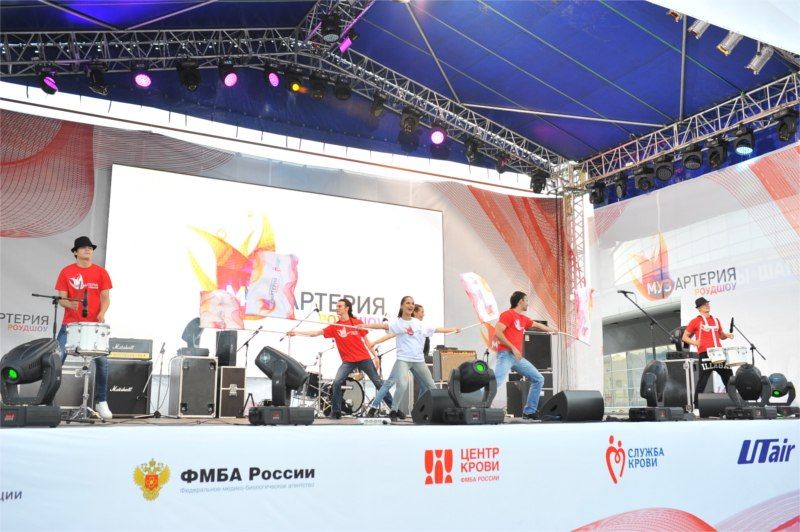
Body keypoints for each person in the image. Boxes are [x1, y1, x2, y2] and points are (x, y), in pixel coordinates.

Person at [287, 299, 391, 419]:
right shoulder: (335, 327)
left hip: (364, 358)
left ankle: (394, 408)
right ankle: (336, 412)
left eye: (339, 306)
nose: (337, 308)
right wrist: (296, 333)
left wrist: (375, 356)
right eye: (336, 306)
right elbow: (315, 333)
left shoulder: (356, 323)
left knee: (378, 382)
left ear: (347, 308)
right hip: (348, 362)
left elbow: (367, 341)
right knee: (337, 382)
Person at [361, 296, 460, 421]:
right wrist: (364, 325)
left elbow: (437, 329)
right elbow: (382, 326)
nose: (411, 305)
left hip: (419, 361)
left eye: (412, 303)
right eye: (408, 303)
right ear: (402, 306)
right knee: (402, 384)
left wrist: (453, 329)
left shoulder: (419, 324)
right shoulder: (397, 323)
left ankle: (429, 411)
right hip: (403, 360)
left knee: (431, 386)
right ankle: (393, 411)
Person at [55, 236, 113, 420]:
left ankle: (101, 401)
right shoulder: (67, 272)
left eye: (90, 247)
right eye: (83, 247)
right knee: (55, 360)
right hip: (70, 325)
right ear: (75, 252)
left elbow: (106, 298)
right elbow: (61, 298)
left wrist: (102, 313)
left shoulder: (101, 272)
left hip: (94, 326)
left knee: (102, 362)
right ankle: (47, 400)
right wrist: (70, 304)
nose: (88, 250)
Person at [492, 291, 557, 420]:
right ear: (520, 301)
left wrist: (553, 330)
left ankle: (529, 411)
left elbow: (537, 325)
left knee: (538, 379)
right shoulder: (507, 314)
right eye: (526, 300)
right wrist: (513, 347)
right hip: (506, 354)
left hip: (516, 358)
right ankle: (476, 405)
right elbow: (498, 333)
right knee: (496, 382)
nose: (527, 303)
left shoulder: (523, 319)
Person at [365, 303, 426, 417]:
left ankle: (418, 410)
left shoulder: (421, 327)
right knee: (389, 383)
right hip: (404, 361)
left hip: (417, 362)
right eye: (421, 312)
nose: (423, 314)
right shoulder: (404, 325)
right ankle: (373, 408)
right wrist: (375, 342)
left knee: (425, 386)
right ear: (415, 312)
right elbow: (390, 335)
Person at [682, 297, 734, 403]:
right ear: (699, 308)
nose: (707, 305)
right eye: (704, 304)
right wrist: (695, 343)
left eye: (707, 304)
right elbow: (684, 337)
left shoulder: (716, 320)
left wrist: (727, 335)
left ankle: (734, 401)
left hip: (719, 353)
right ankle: (696, 405)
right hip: (705, 353)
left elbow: (721, 336)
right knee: (703, 380)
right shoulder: (695, 321)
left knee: (729, 377)